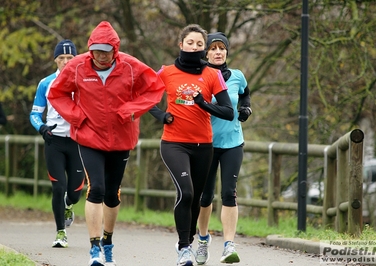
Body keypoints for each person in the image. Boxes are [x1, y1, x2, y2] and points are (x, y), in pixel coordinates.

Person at [47, 21, 165, 266]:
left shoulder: (131, 66)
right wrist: (76, 117)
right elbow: (56, 93)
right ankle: (94, 249)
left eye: (106, 51)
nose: (101, 56)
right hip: (89, 136)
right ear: (90, 49)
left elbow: (155, 88)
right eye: (96, 50)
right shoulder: (78, 66)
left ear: (115, 49)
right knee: (96, 188)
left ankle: (108, 243)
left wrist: (132, 110)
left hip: (122, 138)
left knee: (112, 193)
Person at [149, 24, 234, 266]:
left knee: (196, 198)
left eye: (199, 44)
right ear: (181, 45)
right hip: (174, 143)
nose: (194, 47)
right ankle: (184, 248)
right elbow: (144, 98)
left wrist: (203, 104)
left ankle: (187, 239)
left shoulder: (212, 75)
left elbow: (228, 112)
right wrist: (162, 116)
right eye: (190, 43)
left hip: (203, 145)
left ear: (203, 48)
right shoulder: (165, 72)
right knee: (185, 192)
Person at [196, 32, 252, 265]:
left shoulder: (237, 76)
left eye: (222, 48)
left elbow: (245, 94)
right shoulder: (199, 77)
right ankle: (202, 240)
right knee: (205, 196)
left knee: (229, 193)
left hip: (232, 143)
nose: (218, 52)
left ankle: (229, 245)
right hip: (206, 143)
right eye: (213, 48)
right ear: (206, 52)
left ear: (227, 51)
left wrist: (247, 109)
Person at [30, 39, 85, 248]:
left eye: (69, 58)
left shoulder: (84, 82)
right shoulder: (46, 83)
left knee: (74, 192)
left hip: (77, 142)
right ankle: (60, 232)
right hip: (54, 141)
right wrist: (42, 128)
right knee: (58, 187)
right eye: (61, 58)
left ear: (76, 59)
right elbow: (35, 114)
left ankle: (69, 205)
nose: (65, 61)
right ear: (55, 60)